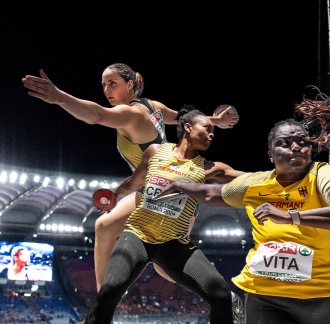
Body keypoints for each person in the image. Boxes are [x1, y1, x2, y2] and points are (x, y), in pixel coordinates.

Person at [152, 35, 330, 323]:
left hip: (319, 299)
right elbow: (212, 195)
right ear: (270, 154)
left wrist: (290, 217)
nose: (295, 147)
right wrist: (179, 185)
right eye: (285, 143)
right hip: (263, 297)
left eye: (302, 142)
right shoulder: (255, 183)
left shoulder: (323, 175)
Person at [21, 63, 239, 291]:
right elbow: (183, 119)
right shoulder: (152, 106)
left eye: (113, 83)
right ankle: (102, 304)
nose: (106, 89)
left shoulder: (130, 113)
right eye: (104, 84)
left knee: (166, 266)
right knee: (105, 227)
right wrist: (215, 121)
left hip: (169, 198)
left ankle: (222, 294)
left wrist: (59, 97)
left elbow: (95, 115)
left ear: (130, 85)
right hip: (156, 192)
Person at [82, 106, 245, 324]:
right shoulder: (155, 152)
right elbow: (134, 182)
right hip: (137, 236)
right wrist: (114, 193)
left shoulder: (210, 169)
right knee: (108, 294)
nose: (212, 133)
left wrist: (283, 176)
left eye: (212, 130)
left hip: (173, 244)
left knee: (222, 296)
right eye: (207, 128)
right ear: (187, 127)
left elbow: (248, 179)